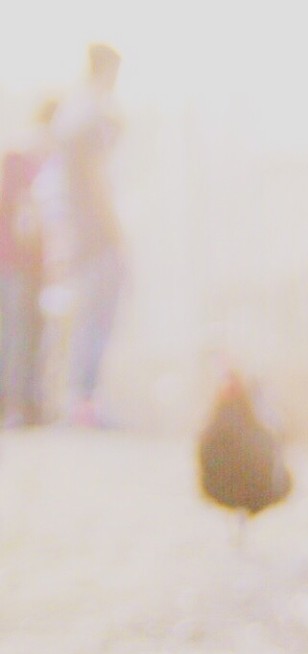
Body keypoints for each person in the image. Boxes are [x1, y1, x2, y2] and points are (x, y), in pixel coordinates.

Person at [54, 41, 124, 428]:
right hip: (97, 232)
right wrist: (115, 229)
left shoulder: (73, 112)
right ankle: (86, 401)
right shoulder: (92, 112)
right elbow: (96, 177)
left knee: (88, 316)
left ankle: (81, 400)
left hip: (81, 232)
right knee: (98, 316)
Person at [0, 99, 57, 428]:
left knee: (29, 333)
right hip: (13, 263)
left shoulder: (42, 163)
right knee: (16, 334)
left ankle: (28, 405)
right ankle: (15, 406)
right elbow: (25, 219)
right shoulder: (20, 161)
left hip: (32, 266)